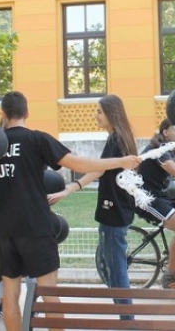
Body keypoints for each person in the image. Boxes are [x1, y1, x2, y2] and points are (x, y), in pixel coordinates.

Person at [0, 91, 140, 331]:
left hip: (5, 230)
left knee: (10, 295)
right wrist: (118, 161)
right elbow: (77, 164)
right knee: (49, 295)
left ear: (2, 114)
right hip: (36, 227)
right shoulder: (38, 139)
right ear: (27, 112)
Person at [50, 94, 139, 320]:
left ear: (111, 114)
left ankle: (127, 321)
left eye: (99, 111)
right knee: (112, 267)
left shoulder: (116, 139)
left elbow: (98, 169)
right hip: (119, 211)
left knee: (116, 271)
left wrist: (69, 189)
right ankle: (126, 317)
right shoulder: (121, 138)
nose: (95, 116)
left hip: (114, 214)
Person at [135, 119, 175, 289]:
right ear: (165, 132)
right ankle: (170, 276)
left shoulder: (172, 150)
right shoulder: (158, 150)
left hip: (162, 196)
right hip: (146, 197)